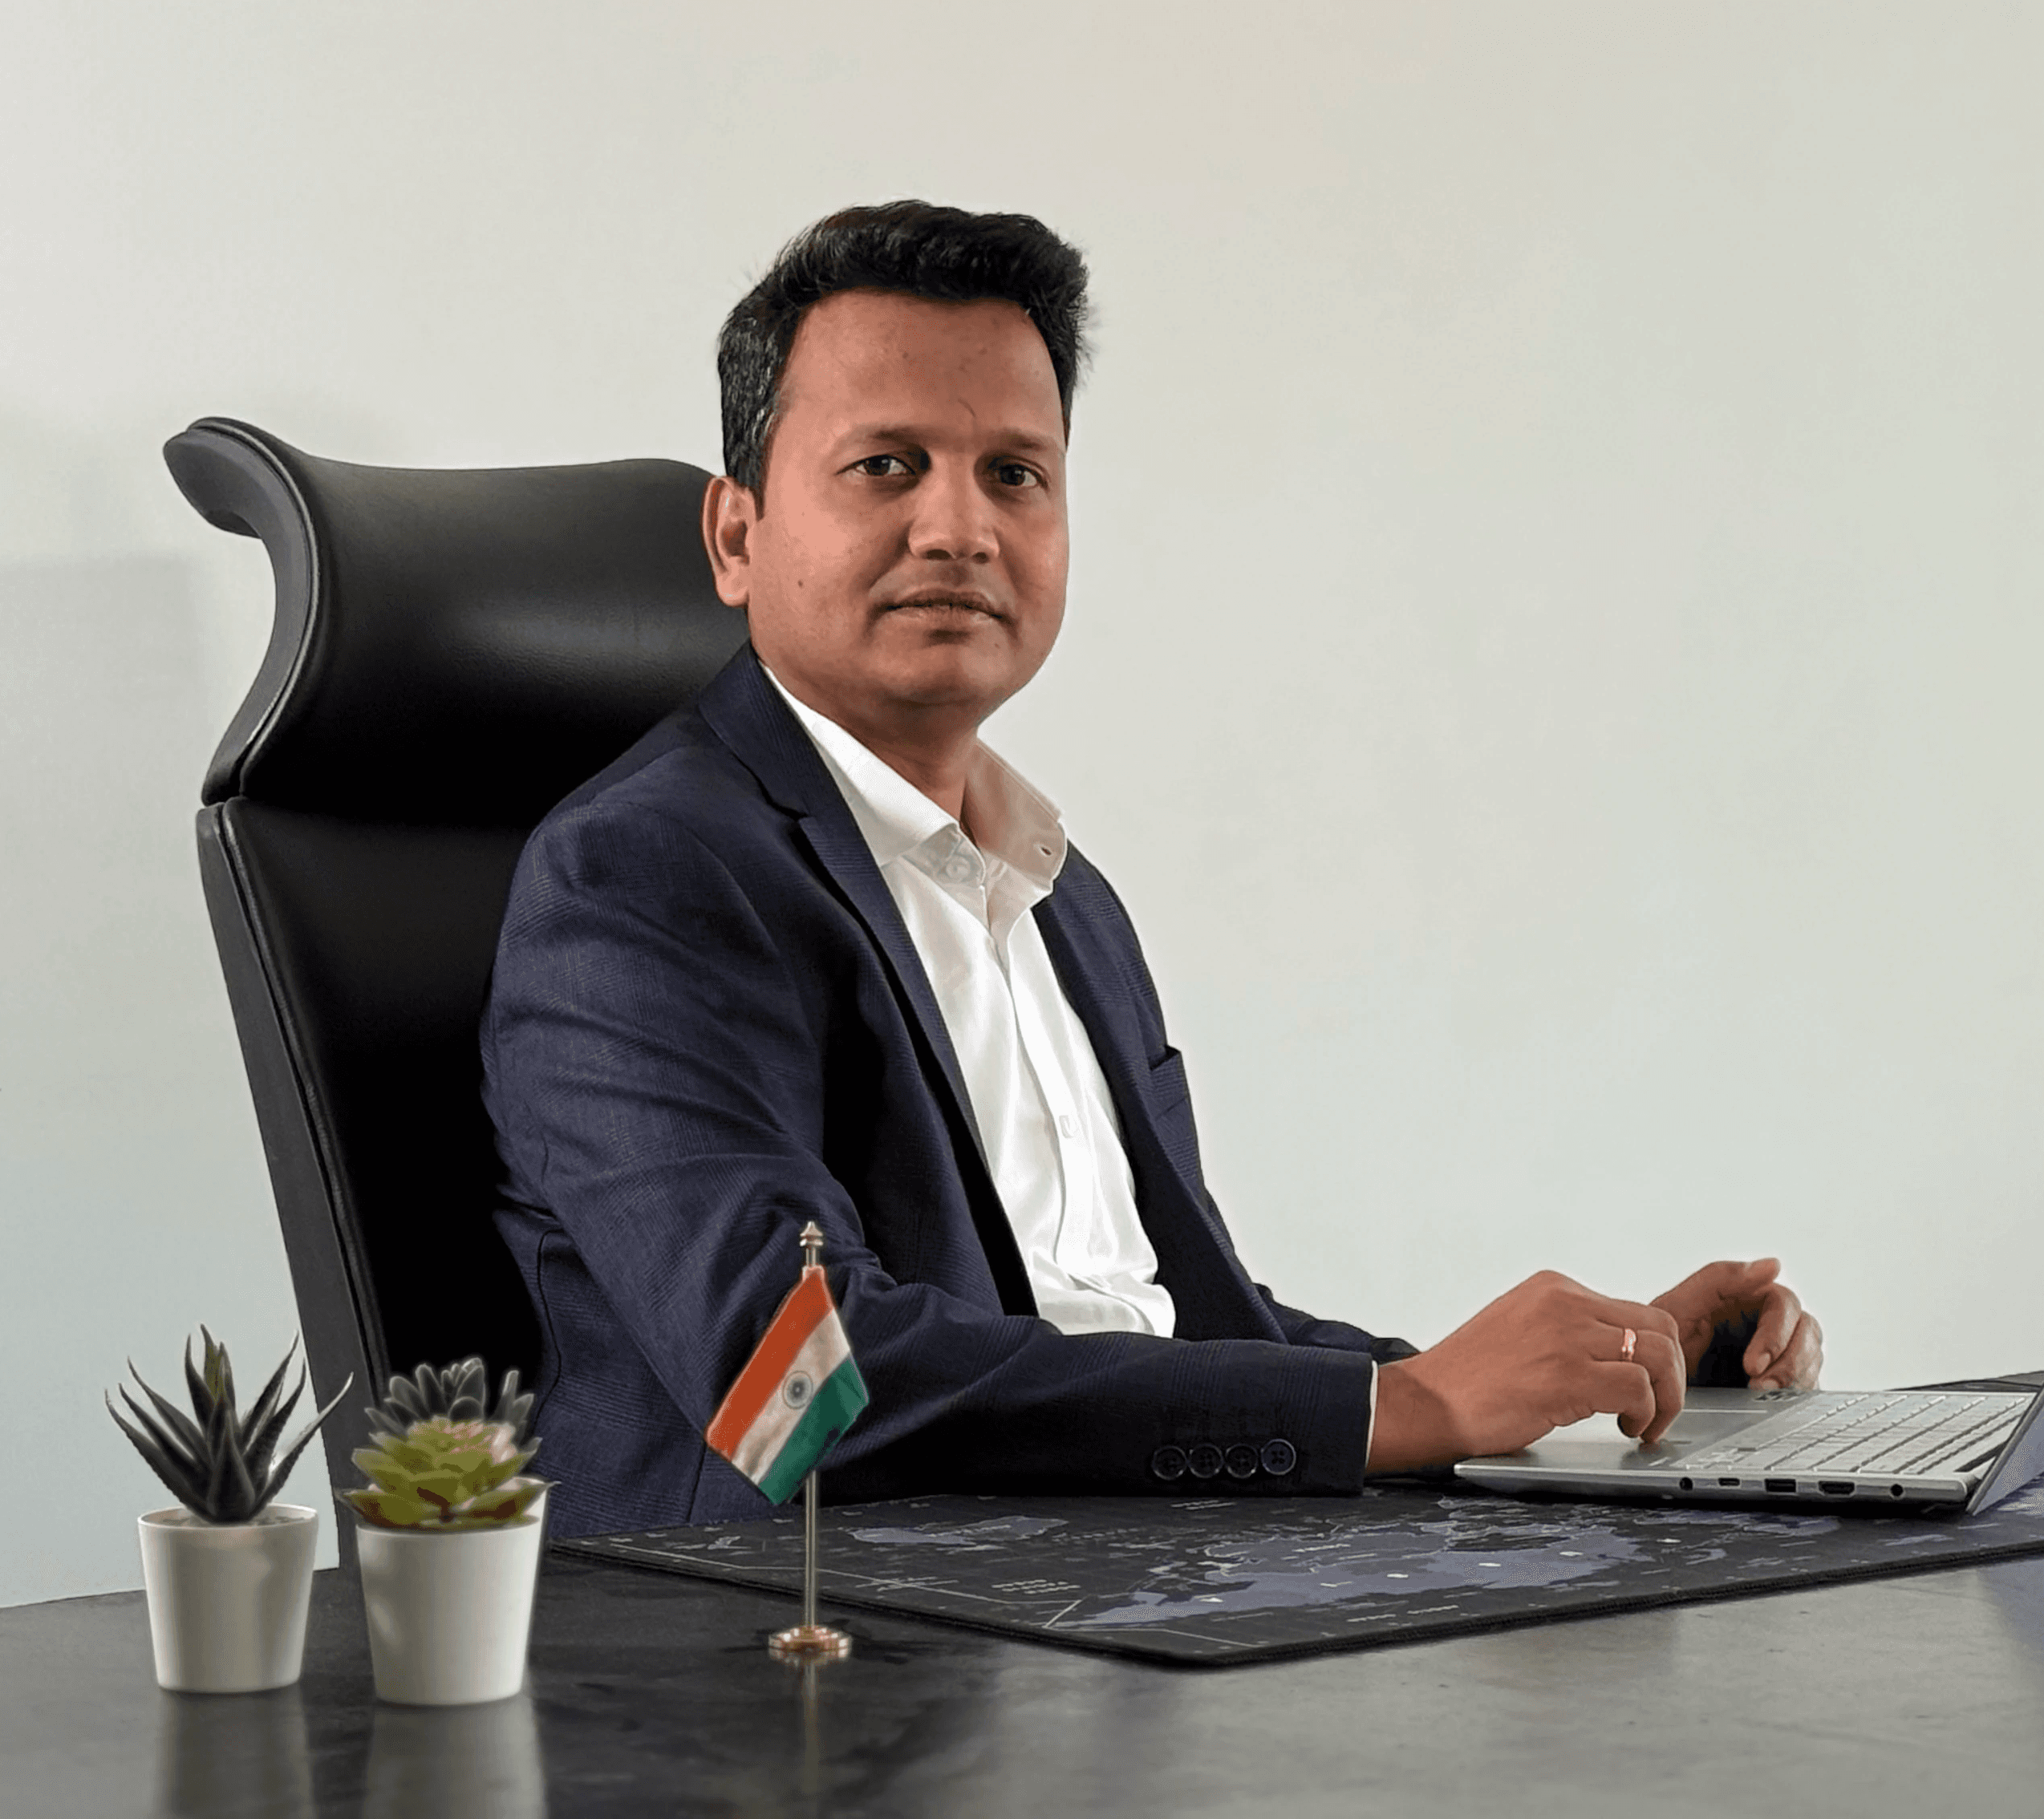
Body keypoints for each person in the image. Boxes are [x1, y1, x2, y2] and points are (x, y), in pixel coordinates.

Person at [481, 201, 1823, 1537]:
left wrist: (1588, 1384)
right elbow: (796, 1390)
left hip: (1120, 1592)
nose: (961, 528)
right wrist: (1402, 1416)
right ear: (736, 537)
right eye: (888, 465)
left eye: (1016, 473)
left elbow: (1178, 1329)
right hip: (818, 1655)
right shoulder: (639, 878)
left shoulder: (1062, 897)